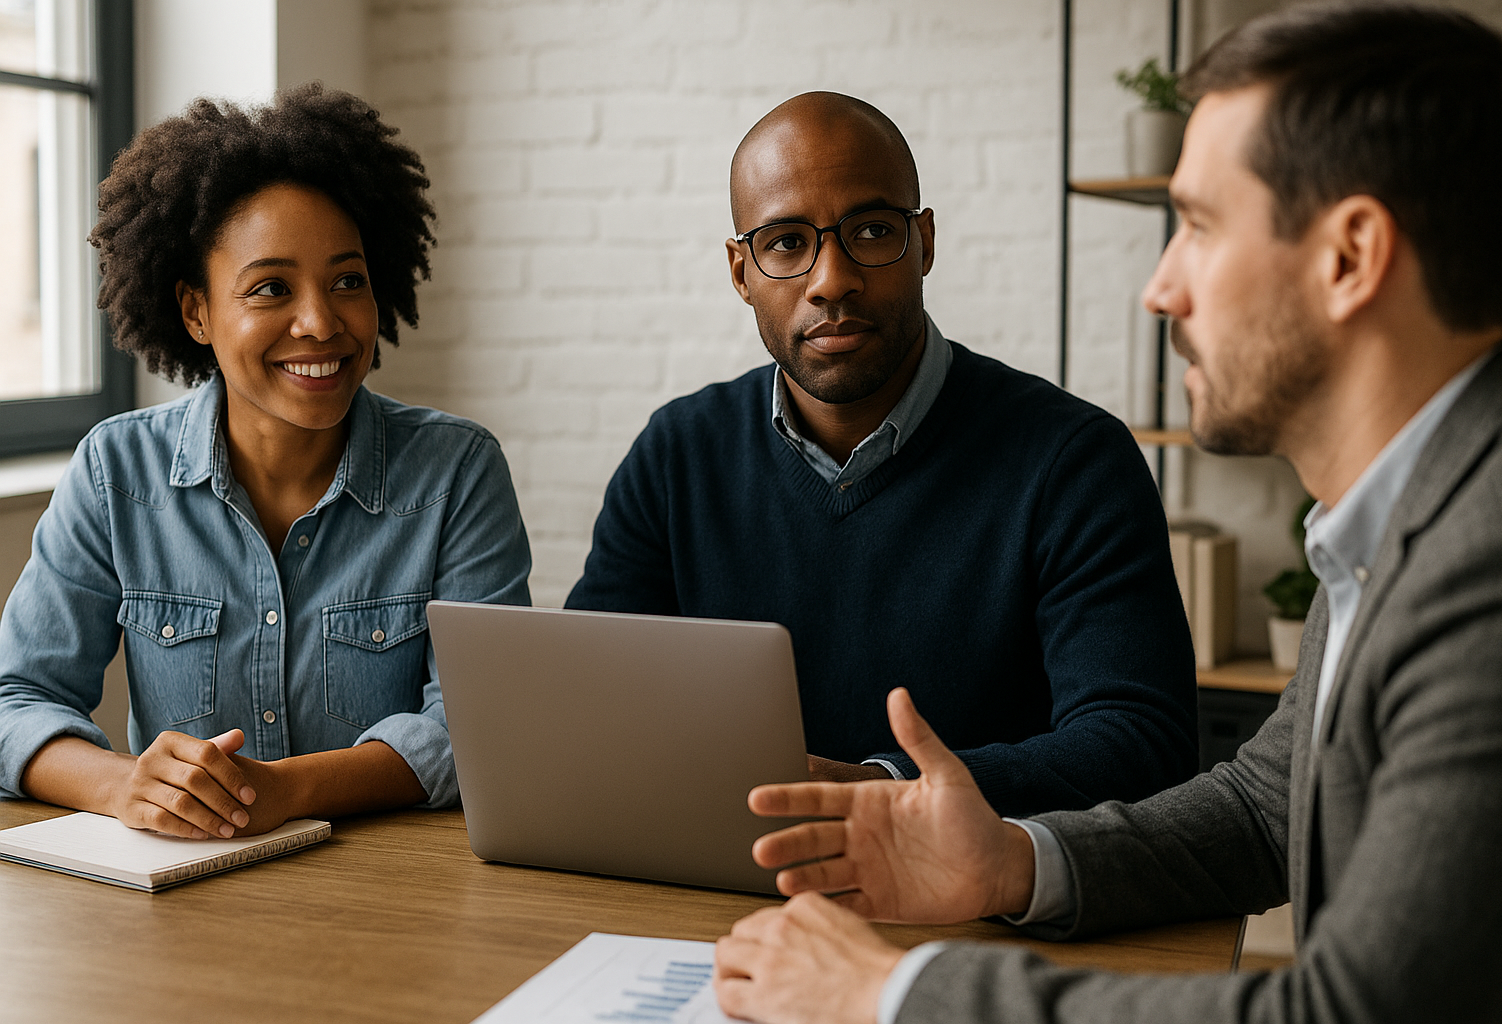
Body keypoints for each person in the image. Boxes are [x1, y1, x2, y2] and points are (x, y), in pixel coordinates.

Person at [711, 5, 1502, 1023]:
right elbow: (1265, 806)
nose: (1161, 289)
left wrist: (897, 990)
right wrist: (1010, 863)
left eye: (1197, 225)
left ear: (1350, 256)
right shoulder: (1409, 512)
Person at [565, 91, 1197, 817]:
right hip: (727, 886)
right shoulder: (675, 457)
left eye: (869, 231)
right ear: (741, 273)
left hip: (976, 908)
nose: (832, 280)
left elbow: (1145, 744)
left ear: (924, 242)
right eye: (786, 243)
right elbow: (592, 713)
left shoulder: (1074, 462)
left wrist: (889, 794)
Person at [0, 85, 533, 839]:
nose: (321, 322)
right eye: (272, 288)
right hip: (183, 896)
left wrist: (282, 790)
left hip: (396, 896)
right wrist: (127, 786)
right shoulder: (115, 472)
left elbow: (481, 729)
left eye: (348, 281)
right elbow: (14, 699)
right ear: (196, 311)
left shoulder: (456, 472)